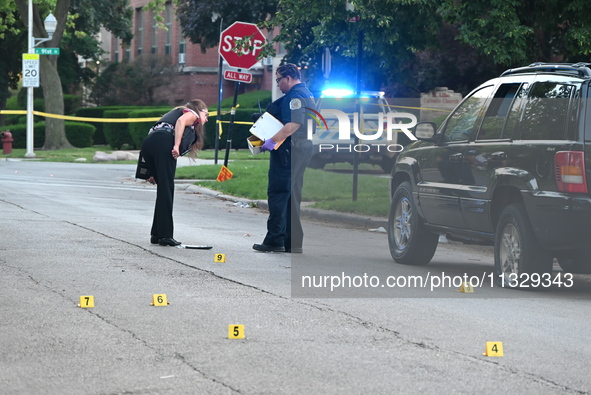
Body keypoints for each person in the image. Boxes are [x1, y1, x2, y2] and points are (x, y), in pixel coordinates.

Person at [253, 63, 316, 253]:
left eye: (279, 80)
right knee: (291, 195)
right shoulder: (306, 93)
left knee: (279, 192)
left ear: (289, 78)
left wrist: (270, 142)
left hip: (289, 150)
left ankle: (275, 239)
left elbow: (293, 124)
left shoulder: (295, 96)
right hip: (300, 148)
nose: (278, 84)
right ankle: (292, 241)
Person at [138, 99, 209, 246]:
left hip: (149, 143)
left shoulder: (173, 113)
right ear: (199, 110)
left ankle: (157, 234)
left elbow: (155, 132)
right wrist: (176, 145)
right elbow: (181, 123)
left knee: (163, 189)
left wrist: (152, 170)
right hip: (164, 142)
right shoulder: (191, 114)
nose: (206, 119)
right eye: (206, 114)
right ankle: (165, 236)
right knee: (167, 188)